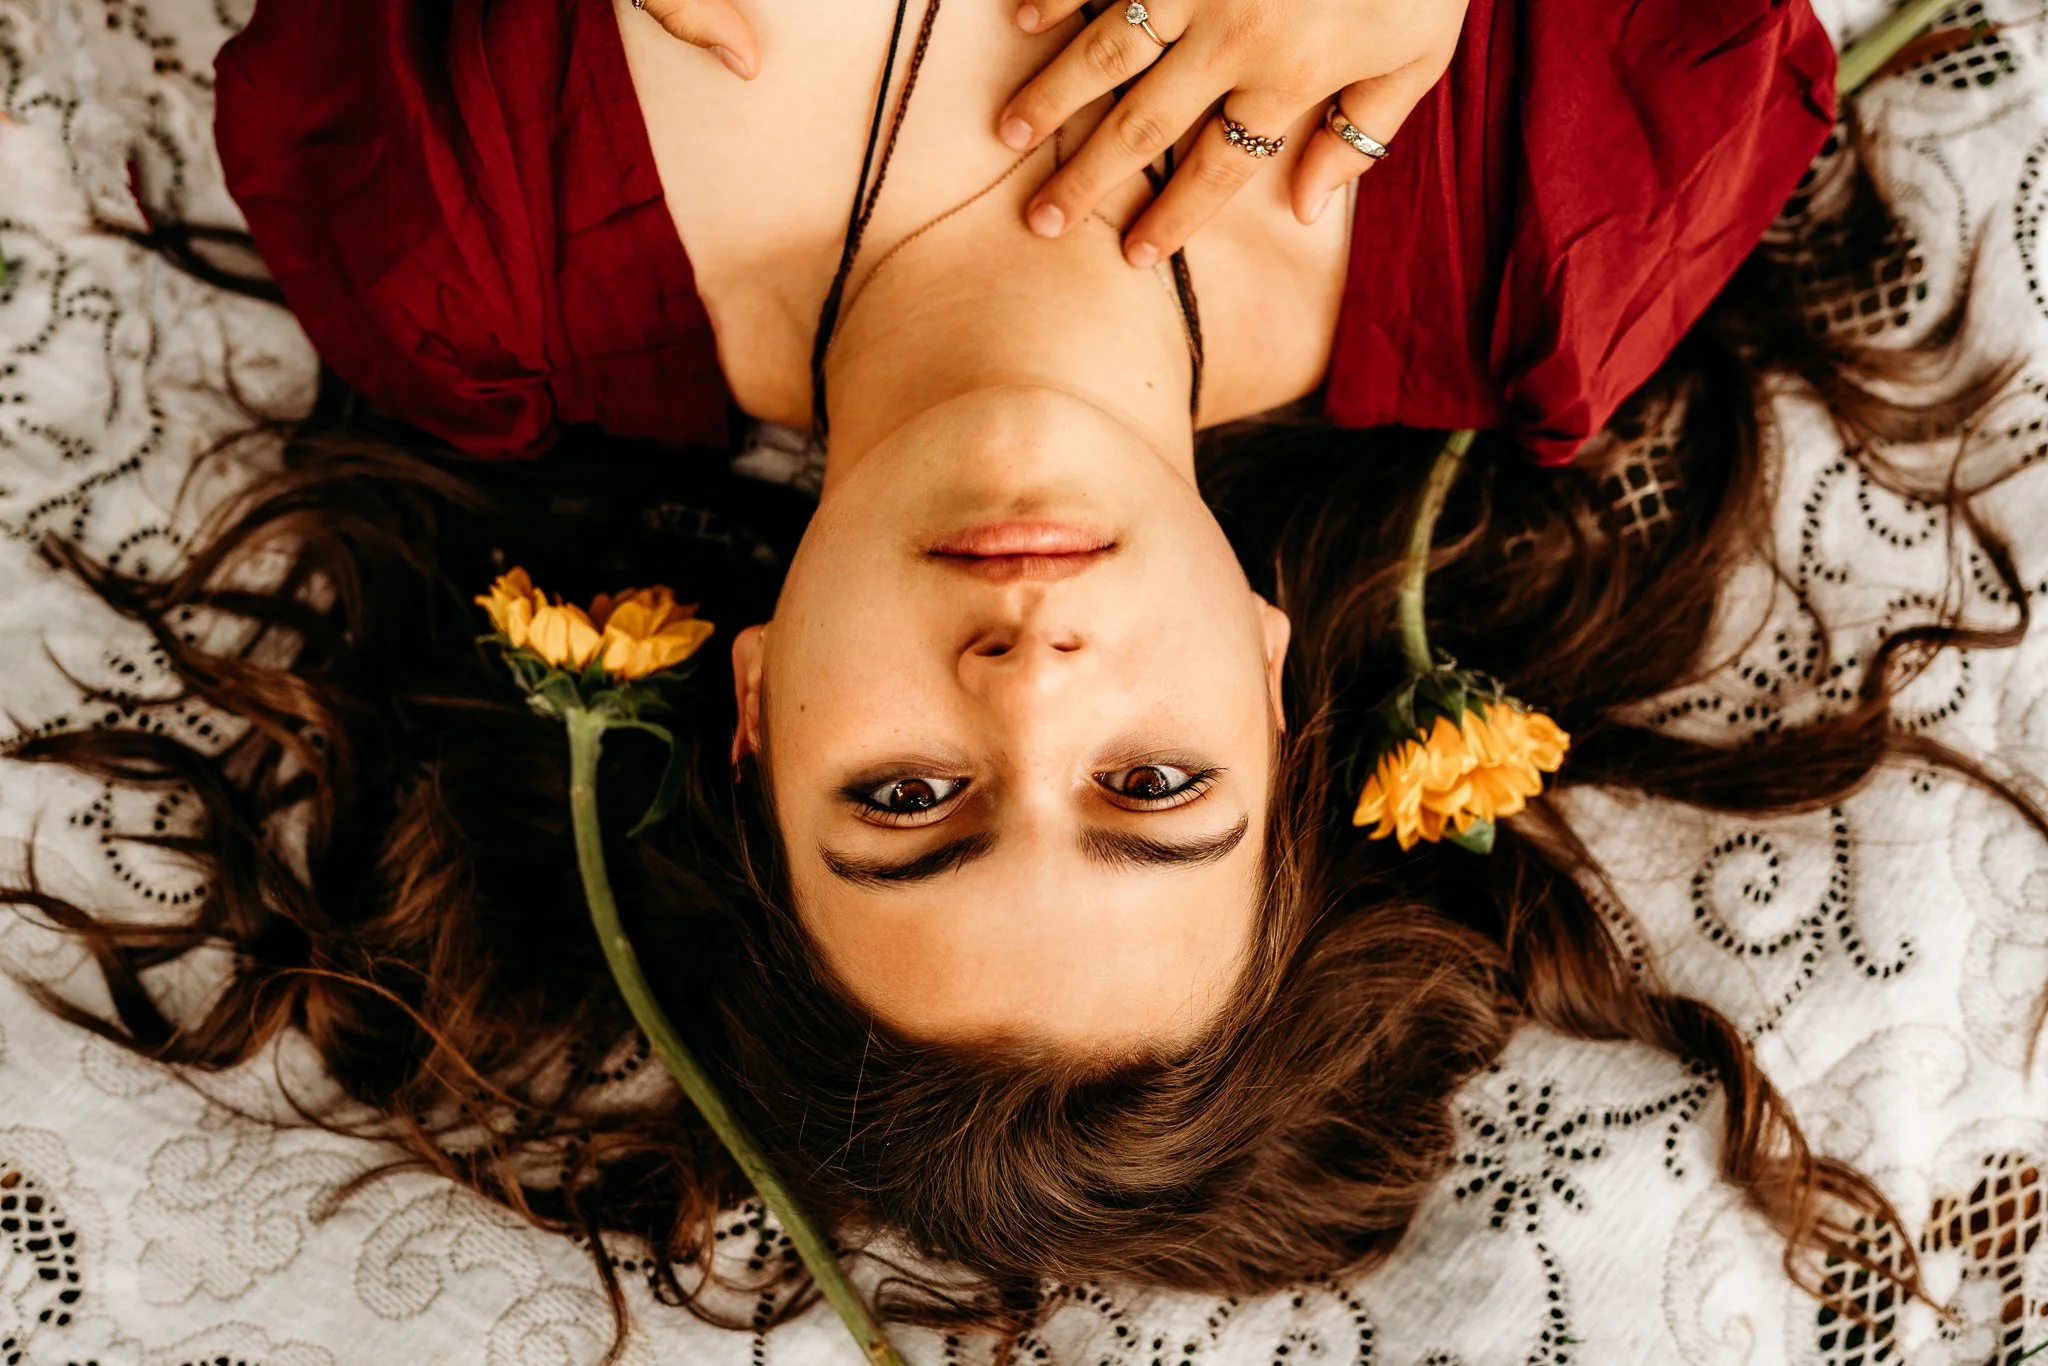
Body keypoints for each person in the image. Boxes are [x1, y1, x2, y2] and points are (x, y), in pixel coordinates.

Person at [15, 0, 2020, 1350]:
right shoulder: (1543, 223)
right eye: (1152, 785)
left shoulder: (464, 236)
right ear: (1265, 680)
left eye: (906, 799)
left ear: (760, 700)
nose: (1027, 676)